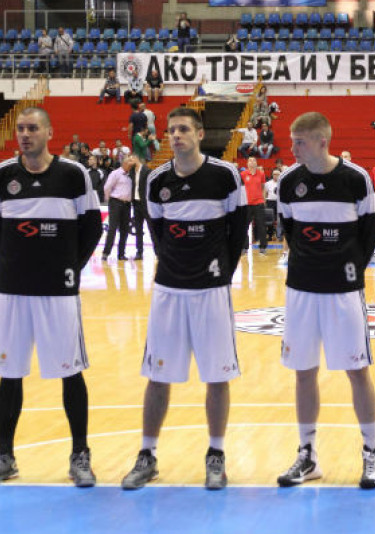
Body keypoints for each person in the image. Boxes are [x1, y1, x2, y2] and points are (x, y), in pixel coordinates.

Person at [121, 107, 247, 491]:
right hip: (168, 290)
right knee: (157, 377)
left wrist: (220, 273)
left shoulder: (225, 176)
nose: (176, 136)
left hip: (211, 291)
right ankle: (147, 455)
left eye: (183, 130)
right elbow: (157, 234)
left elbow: (237, 231)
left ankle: (216, 455)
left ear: (200, 134)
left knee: (216, 376)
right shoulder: (156, 179)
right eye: (172, 130)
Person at [0, 107, 102, 488]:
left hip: (59, 292)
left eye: (33, 128)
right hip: (12, 291)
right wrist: (16, 263)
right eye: (21, 128)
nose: (25, 134)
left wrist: (69, 267)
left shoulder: (73, 175)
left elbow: (92, 228)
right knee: (9, 373)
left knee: (70, 372)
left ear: (49, 132)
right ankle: (4, 456)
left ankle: (80, 455)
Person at [276, 112, 375, 489]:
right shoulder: (289, 183)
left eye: (299, 141)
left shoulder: (356, 179)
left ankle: (371, 453)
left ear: (322, 141)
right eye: (292, 141)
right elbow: (288, 228)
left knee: (357, 371)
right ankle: (307, 455)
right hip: (301, 290)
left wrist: (349, 268)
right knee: (303, 371)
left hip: (344, 291)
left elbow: (370, 233)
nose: (292, 148)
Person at [102, 156, 135, 261]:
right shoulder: (115, 173)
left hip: (127, 205)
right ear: (124, 163)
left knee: (125, 230)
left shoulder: (132, 175)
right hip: (116, 203)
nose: (132, 163)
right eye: (130, 161)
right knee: (112, 229)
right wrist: (110, 200)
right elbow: (107, 187)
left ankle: (121, 254)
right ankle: (106, 253)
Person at [242, 156, 268, 255]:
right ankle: (244, 247)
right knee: (244, 226)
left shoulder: (261, 173)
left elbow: (263, 187)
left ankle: (263, 247)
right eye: (250, 160)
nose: (252, 162)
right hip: (247, 204)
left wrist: (263, 199)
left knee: (261, 226)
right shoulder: (243, 174)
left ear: (256, 163)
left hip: (259, 203)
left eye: (253, 160)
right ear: (247, 163)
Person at [129, 155, 151, 260]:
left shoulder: (147, 171)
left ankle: (158, 252)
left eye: (132, 158)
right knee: (138, 229)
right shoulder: (132, 172)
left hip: (146, 204)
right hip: (136, 204)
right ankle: (139, 252)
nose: (130, 160)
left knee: (152, 229)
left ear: (137, 158)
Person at [264, 167, 281, 241]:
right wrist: (264, 201)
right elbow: (265, 193)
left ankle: (279, 236)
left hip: (280, 202)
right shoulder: (268, 183)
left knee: (280, 219)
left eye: (277, 174)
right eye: (274, 174)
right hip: (270, 202)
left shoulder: (283, 182)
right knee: (270, 220)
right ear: (272, 174)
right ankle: (270, 235)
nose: (276, 176)